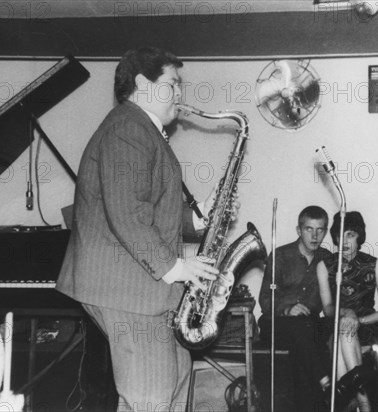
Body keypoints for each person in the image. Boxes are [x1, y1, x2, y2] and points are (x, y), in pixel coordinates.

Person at [56, 47, 222, 411]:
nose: (180, 94)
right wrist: (176, 268)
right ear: (143, 84)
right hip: (129, 290)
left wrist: (196, 218)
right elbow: (127, 214)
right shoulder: (128, 129)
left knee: (174, 386)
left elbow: (145, 207)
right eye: (173, 84)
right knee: (150, 399)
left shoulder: (140, 130)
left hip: (143, 289)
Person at [258, 205, 333, 412]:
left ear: (326, 231)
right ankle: (326, 381)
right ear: (299, 230)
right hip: (276, 323)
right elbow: (265, 298)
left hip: (309, 326)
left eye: (320, 230)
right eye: (309, 229)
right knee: (301, 331)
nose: (315, 235)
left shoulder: (328, 259)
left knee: (307, 339)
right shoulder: (281, 255)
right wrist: (287, 308)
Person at [317, 211, 378, 412]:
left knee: (345, 333)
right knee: (344, 330)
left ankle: (344, 403)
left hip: (367, 326)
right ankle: (365, 407)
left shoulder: (373, 263)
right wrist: (346, 312)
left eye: (350, 235)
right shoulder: (325, 266)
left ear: (359, 236)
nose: (344, 241)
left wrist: (359, 320)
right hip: (336, 325)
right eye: (340, 236)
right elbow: (328, 309)